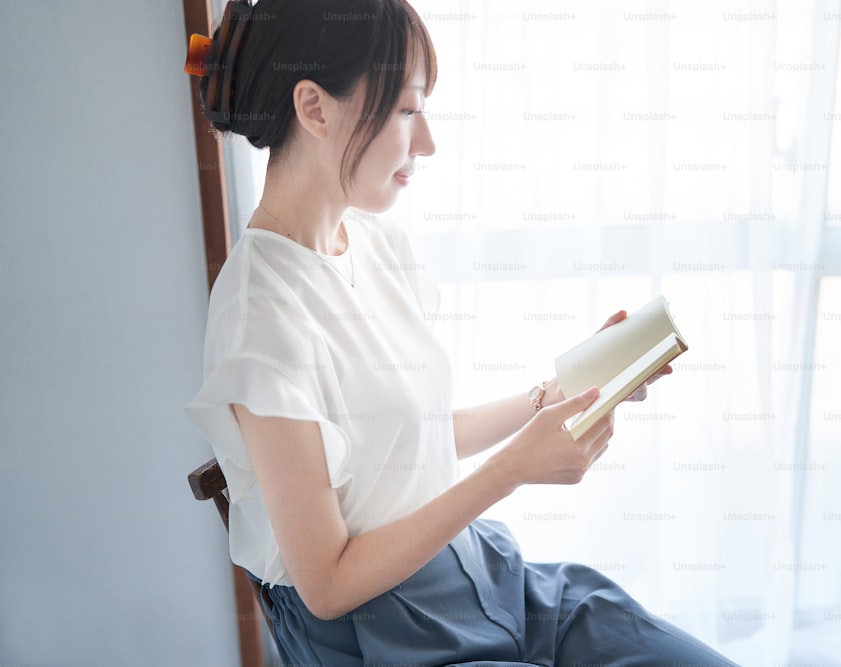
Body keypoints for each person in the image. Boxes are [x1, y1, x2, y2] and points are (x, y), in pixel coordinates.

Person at [184, 1, 740, 665]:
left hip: (484, 574)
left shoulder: (373, 244)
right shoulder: (260, 314)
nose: (427, 143)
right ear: (315, 107)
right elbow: (328, 583)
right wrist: (511, 470)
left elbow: (403, 441)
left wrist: (552, 395)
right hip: (385, 631)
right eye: (407, 110)